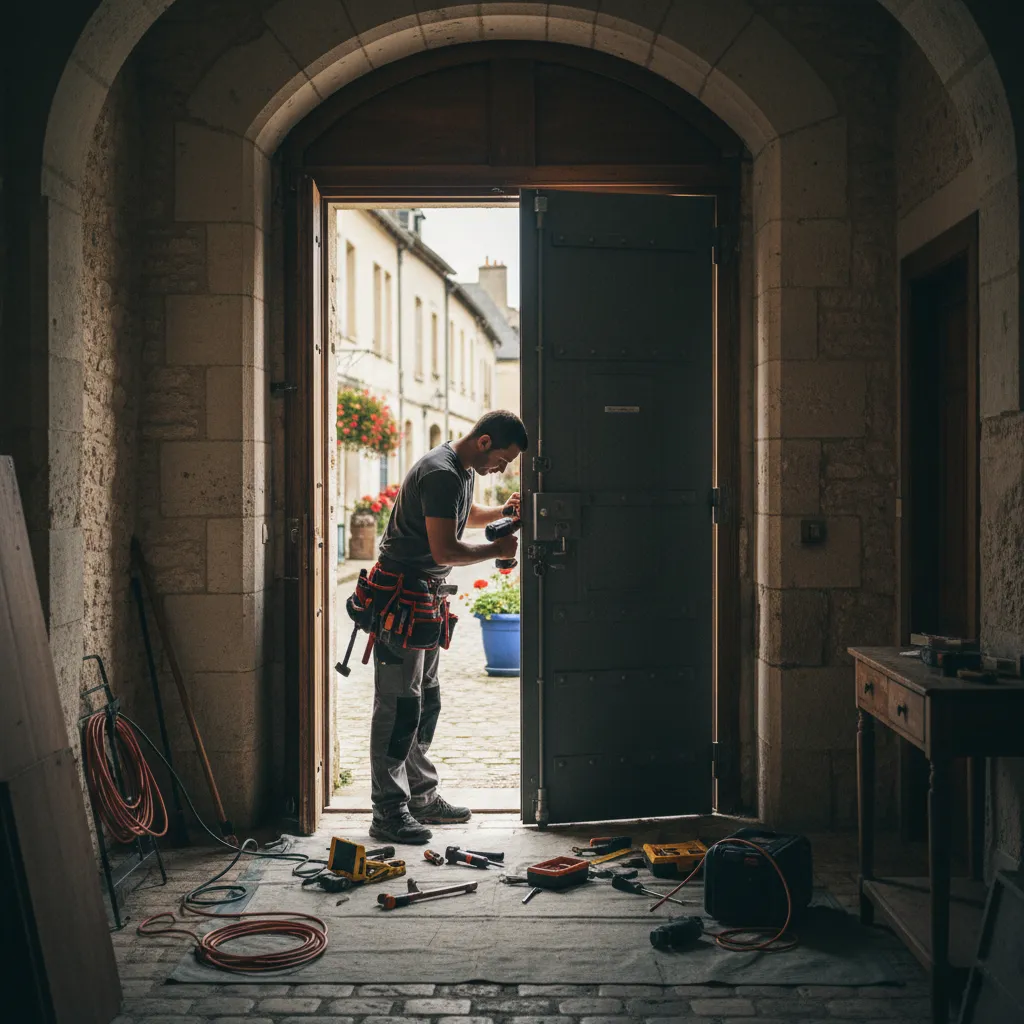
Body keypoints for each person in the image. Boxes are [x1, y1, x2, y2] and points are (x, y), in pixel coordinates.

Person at [366, 410, 528, 844]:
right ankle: (388, 810)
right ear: (484, 441)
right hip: (403, 600)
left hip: (423, 601)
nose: (503, 469)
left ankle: (420, 795)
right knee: (398, 708)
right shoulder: (441, 473)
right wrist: (496, 548)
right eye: (504, 459)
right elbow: (445, 549)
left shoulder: (458, 470)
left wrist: (499, 512)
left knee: (424, 702)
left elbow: (462, 514)